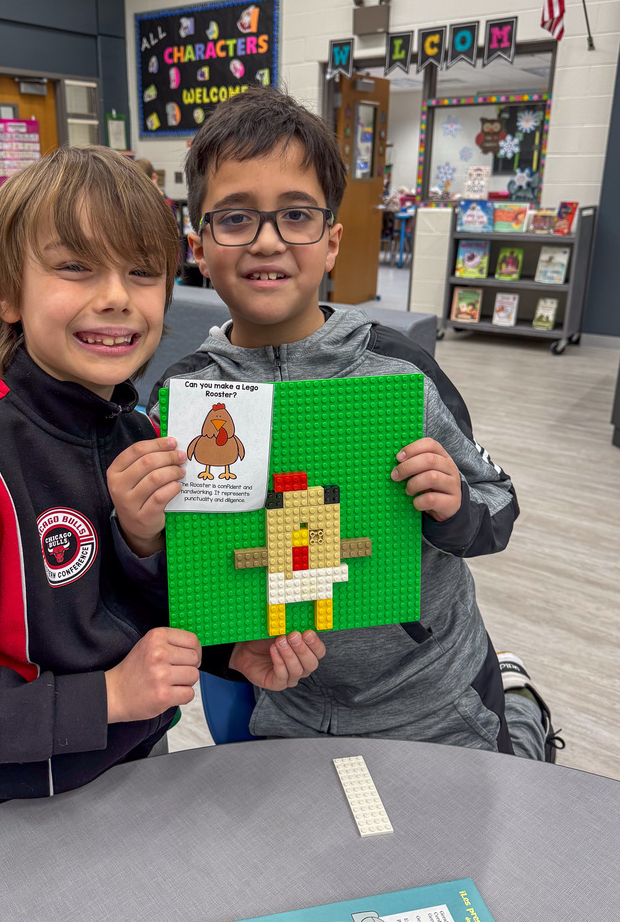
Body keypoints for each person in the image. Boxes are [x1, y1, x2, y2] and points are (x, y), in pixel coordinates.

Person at [0, 146, 325, 826]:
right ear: (3, 292)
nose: (115, 296)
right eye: (75, 266)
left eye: (142, 272)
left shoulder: (143, 435)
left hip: (141, 765)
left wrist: (233, 651)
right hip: (7, 808)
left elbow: (139, 604)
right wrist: (106, 696)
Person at [149, 87, 561, 762]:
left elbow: (500, 504)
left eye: (296, 216)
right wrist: (142, 535)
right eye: (235, 219)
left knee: (475, 833)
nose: (267, 240)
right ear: (198, 244)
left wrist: (452, 507)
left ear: (332, 242)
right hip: (290, 707)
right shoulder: (183, 397)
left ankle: (520, 708)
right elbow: (177, 571)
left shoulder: (398, 372)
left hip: (434, 694)